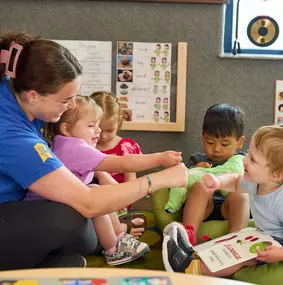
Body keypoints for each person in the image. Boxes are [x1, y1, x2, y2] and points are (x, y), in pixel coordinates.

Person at [0, 31, 188, 270]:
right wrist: (161, 178)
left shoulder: (15, 87)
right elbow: (89, 202)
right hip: (10, 213)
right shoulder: (13, 135)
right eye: (65, 100)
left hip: (16, 207)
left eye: (74, 97)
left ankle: (55, 257)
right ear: (34, 96)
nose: (71, 106)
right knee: (76, 221)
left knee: (87, 224)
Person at [26, 96, 150, 265]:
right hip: (48, 209)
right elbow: (123, 163)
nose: (98, 131)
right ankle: (113, 249)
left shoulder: (62, 142)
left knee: (95, 190)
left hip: (48, 205)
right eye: (92, 126)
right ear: (67, 129)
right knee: (96, 195)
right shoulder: (75, 147)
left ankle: (119, 236)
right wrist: (160, 159)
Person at [163, 124, 283, 277]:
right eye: (248, 153)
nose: (244, 160)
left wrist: (280, 254)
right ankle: (192, 254)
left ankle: (190, 270)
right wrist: (218, 182)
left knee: (238, 257)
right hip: (264, 236)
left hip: (278, 246)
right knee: (231, 242)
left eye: (253, 160)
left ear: (276, 175)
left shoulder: (281, 201)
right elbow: (235, 181)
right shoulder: (256, 181)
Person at [182, 104, 249, 245]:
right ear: (203, 138)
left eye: (225, 144)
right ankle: (187, 239)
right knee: (201, 186)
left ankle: (236, 241)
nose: (217, 149)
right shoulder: (198, 159)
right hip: (204, 208)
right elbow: (180, 182)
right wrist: (193, 169)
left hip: (230, 209)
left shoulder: (244, 161)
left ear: (239, 142)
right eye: (210, 142)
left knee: (239, 190)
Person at [90, 91, 146, 237]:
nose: (102, 136)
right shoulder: (84, 146)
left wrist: (121, 205)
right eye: (98, 129)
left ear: (119, 122)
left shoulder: (125, 147)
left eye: (109, 130)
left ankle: (120, 224)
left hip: (119, 203)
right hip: (90, 200)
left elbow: (131, 185)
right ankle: (119, 229)